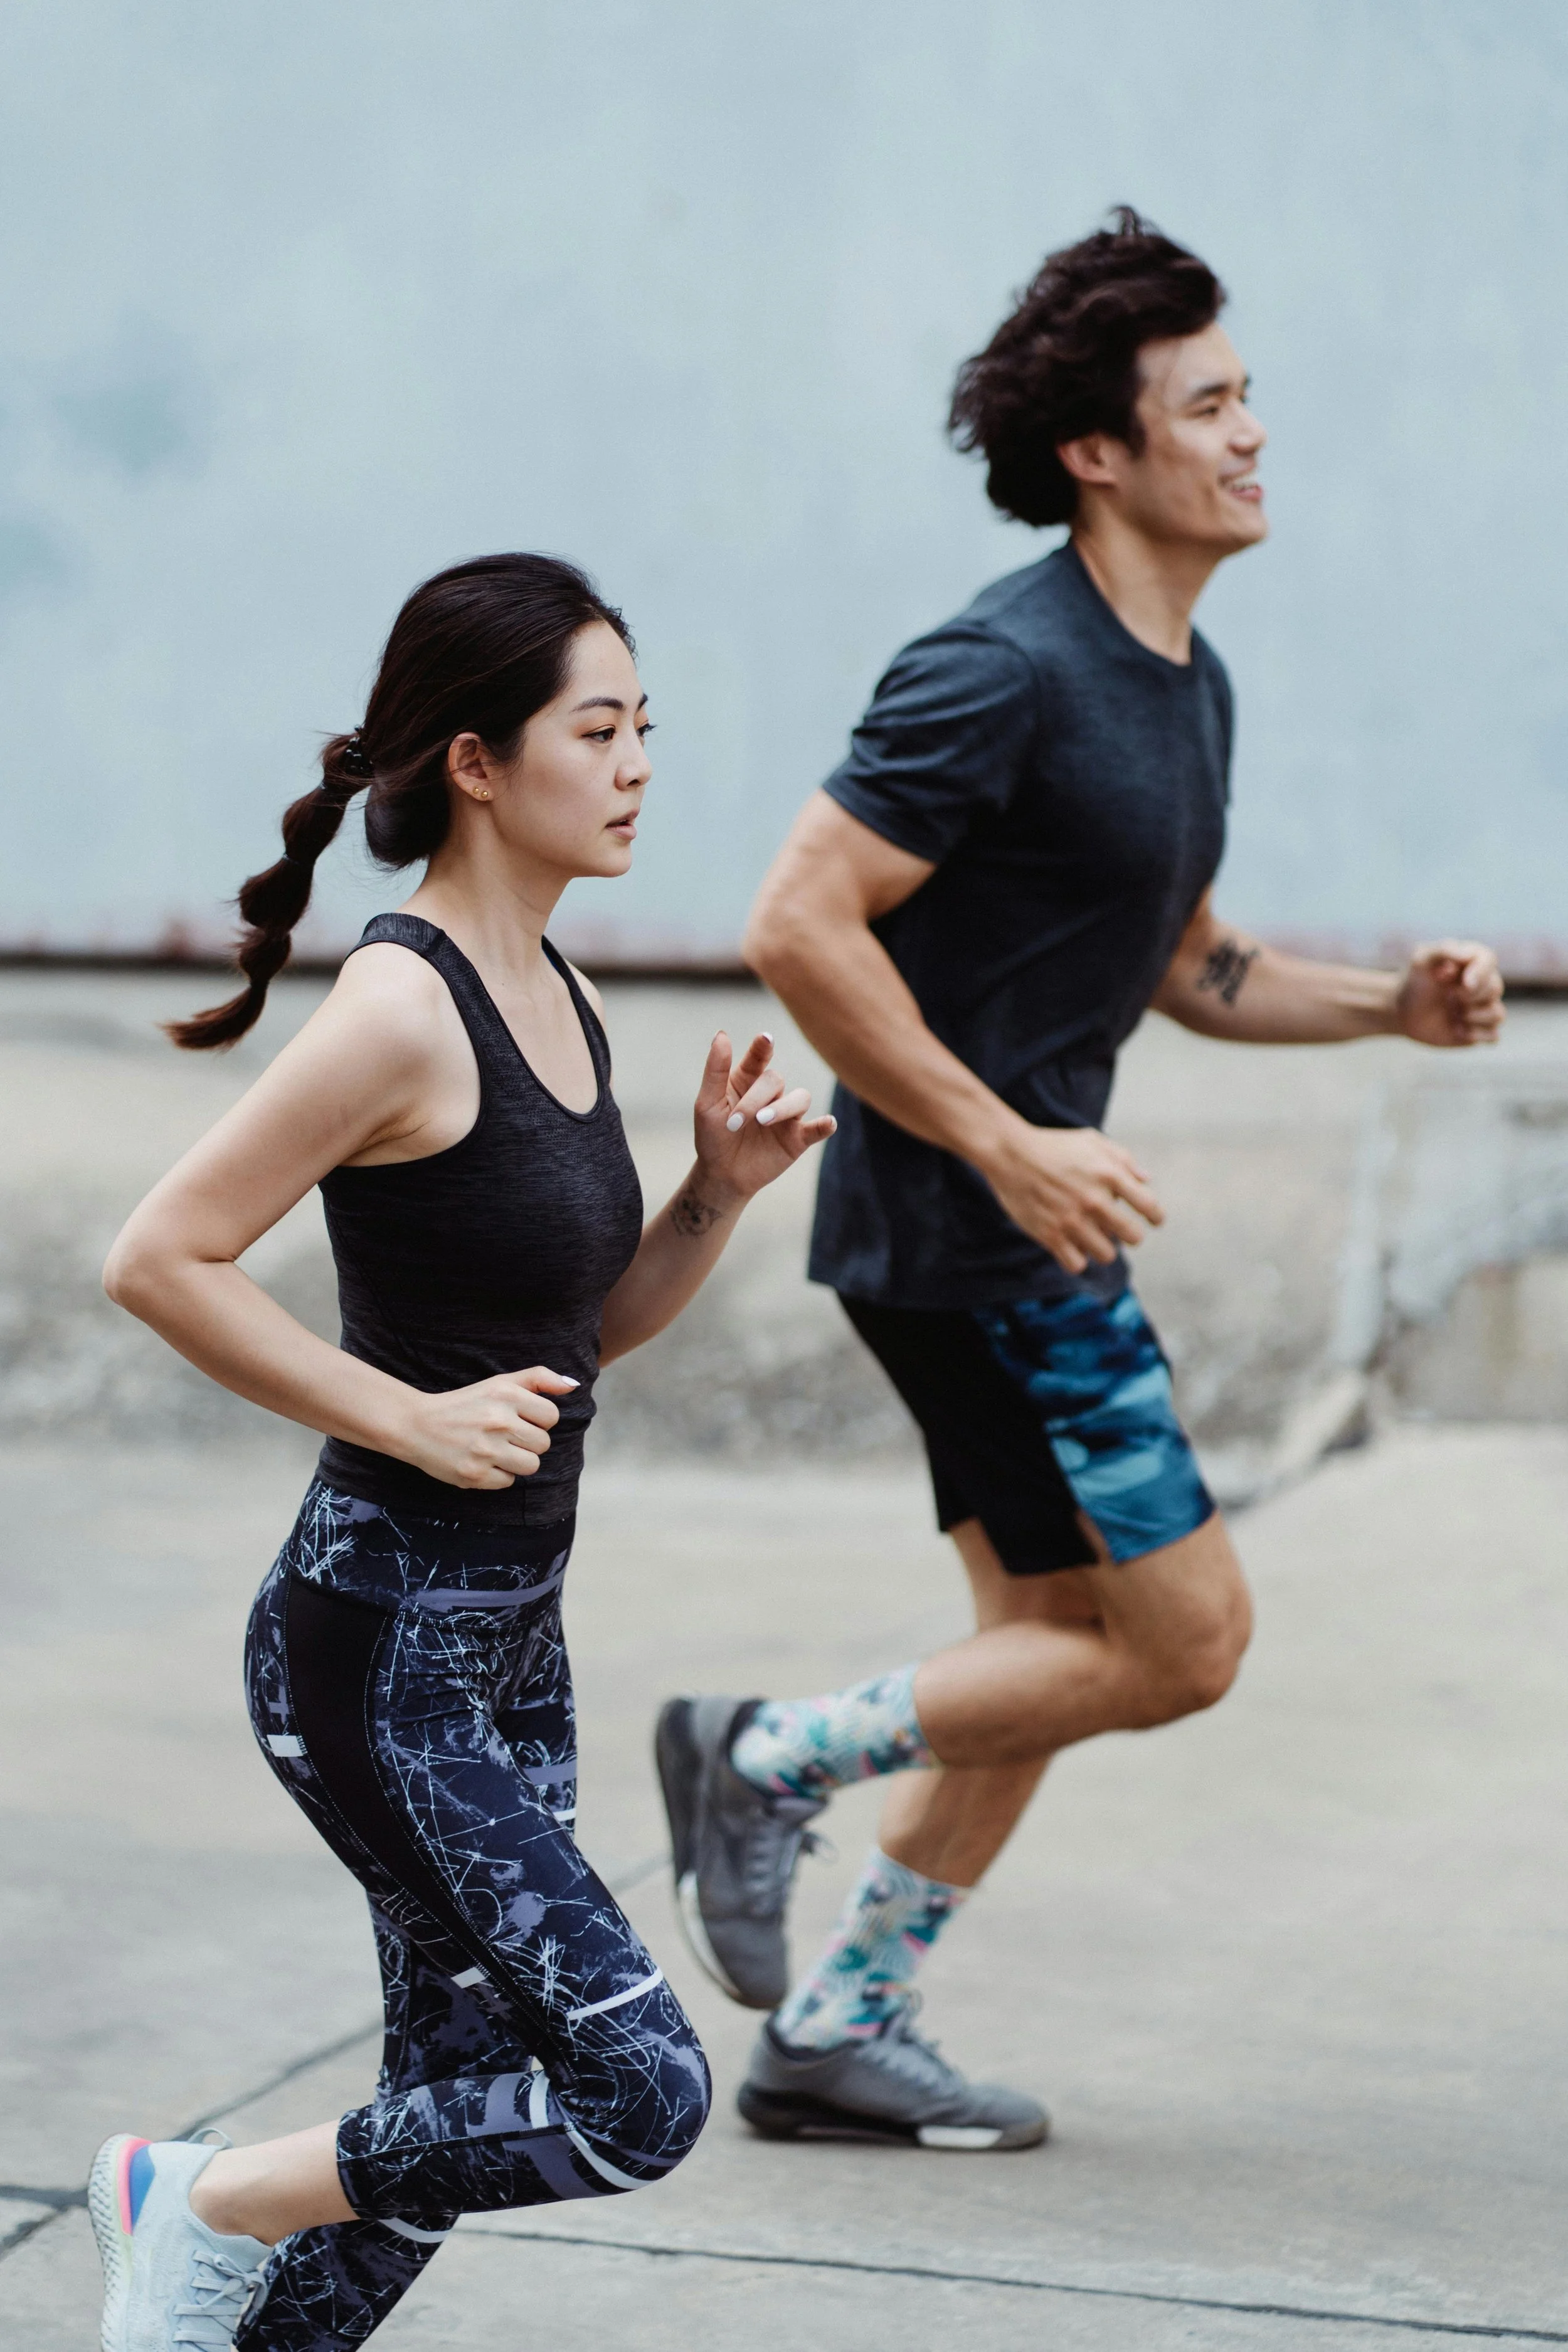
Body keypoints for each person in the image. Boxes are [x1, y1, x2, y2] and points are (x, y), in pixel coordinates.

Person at [655, 209, 1505, 2152]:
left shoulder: (1176, 681)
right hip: (983, 1241)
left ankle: (836, 2028)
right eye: (1210, 403)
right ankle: (759, 1754)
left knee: (1033, 1653)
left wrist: (1397, 1006)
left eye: (1247, 393)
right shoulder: (997, 668)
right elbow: (797, 920)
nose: (1254, 432)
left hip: (996, 1223)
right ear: (1097, 454)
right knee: (1182, 1642)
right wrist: (1002, 1136)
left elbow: (1187, 965)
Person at [88, 554, 833, 2352]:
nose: (641, 762)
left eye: (648, 726)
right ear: (481, 762)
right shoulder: (400, 1008)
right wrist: (403, 1415)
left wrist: (711, 1201)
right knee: (633, 2090)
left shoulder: (556, 991)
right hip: (375, 1646)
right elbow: (158, 1256)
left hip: (506, 1647)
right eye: (600, 728)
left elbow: (581, 1340)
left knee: (454, 2119)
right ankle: (190, 2193)